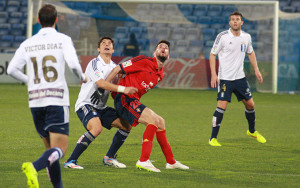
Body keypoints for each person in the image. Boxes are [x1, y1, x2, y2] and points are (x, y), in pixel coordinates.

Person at [7, 4, 87, 188]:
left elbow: (11, 69)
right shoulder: (63, 39)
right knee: (61, 149)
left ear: (38, 21)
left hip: (36, 100)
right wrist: (82, 77)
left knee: (50, 150)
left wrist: (30, 81)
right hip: (56, 99)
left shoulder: (28, 43)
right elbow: (74, 66)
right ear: (56, 19)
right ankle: (34, 167)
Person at [106, 40, 189, 172]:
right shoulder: (143, 60)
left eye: (166, 48)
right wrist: (106, 85)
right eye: (160, 46)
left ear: (168, 56)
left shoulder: (160, 75)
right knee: (153, 121)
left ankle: (171, 162)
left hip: (133, 100)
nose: (163, 48)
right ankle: (143, 160)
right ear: (154, 52)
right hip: (123, 98)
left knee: (161, 122)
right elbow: (118, 69)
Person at [64, 36, 137, 169]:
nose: (106, 44)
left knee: (126, 125)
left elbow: (112, 90)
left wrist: (121, 82)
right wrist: (124, 89)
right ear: (98, 49)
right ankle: (70, 161)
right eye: (103, 43)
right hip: (85, 104)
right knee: (96, 128)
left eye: (109, 43)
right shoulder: (94, 63)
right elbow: (101, 83)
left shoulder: (115, 68)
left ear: (113, 50)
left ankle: (109, 158)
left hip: (101, 107)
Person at [208, 11, 266, 147]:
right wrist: (214, 74)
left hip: (240, 78)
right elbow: (212, 55)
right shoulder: (222, 36)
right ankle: (213, 138)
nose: (235, 21)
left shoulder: (246, 37)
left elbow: (250, 53)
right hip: (225, 79)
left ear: (242, 22)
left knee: (251, 104)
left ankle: (252, 131)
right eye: (233, 19)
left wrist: (256, 69)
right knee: (221, 106)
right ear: (229, 23)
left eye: (237, 19)